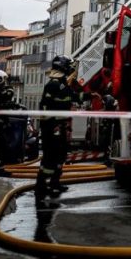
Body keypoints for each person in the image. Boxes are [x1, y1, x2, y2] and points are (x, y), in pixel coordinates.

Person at [36, 55, 85, 208]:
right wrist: (53, 126)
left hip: (60, 126)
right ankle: (42, 185)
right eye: (69, 66)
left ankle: (55, 183)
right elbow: (45, 108)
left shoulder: (63, 85)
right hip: (52, 128)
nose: (72, 69)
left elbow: (73, 97)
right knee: (50, 157)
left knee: (61, 154)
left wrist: (90, 95)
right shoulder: (53, 85)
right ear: (64, 67)